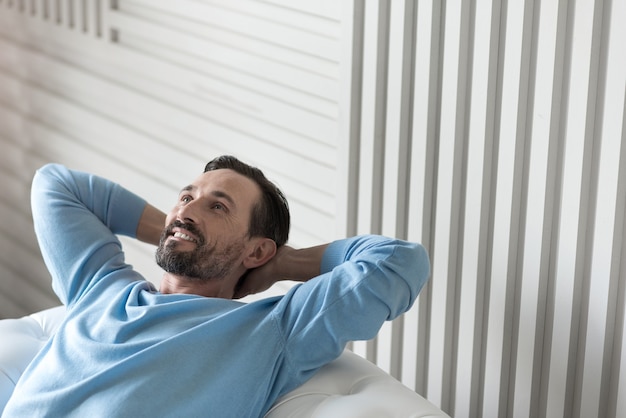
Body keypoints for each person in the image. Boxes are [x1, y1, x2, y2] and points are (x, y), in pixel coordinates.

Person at [2, 155, 430, 418]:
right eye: (186, 198)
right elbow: (55, 184)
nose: (188, 210)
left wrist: (283, 264)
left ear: (257, 251)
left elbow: (399, 261)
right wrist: (178, 232)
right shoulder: (101, 287)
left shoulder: (270, 332)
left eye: (217, 207)